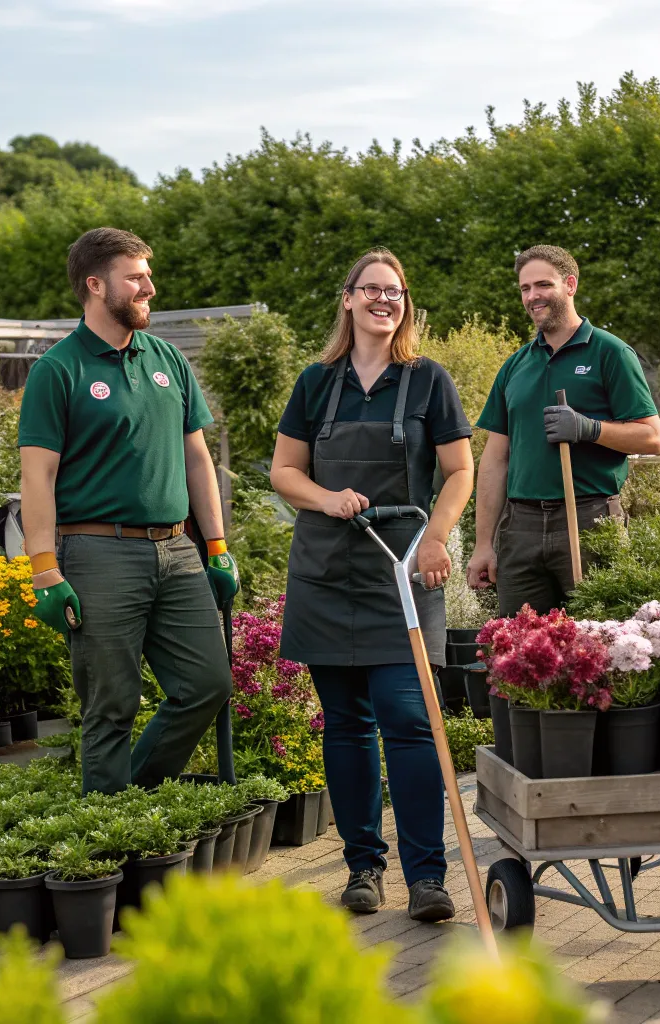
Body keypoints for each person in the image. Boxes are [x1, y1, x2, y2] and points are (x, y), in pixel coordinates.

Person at [270, 249, 474, 922]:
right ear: (349, 299)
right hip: (328, 570)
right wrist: (327, 499)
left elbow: (460, 471)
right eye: (373, 290)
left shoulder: (427, 381)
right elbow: (284, 473)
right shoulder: (316, 383)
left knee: (410, 724)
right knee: (347, 728)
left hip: (402, 569)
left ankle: (426, 878)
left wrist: (437, 537)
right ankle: (362, 869)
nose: (386, 300)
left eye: (396, 291)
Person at [18, 227, 238, 795]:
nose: (151, 287)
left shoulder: (167, 360)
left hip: (177, 550)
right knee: (110, 707)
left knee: (208, 685)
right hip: (97, 554)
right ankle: (112, 847)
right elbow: (37, 477)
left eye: (148, 275)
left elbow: (197, 459)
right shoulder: (58, 370)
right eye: (136, 277)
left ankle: (132, 800)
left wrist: (216, 546)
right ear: (96, 285)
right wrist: (44, 570)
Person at [468, 244, 660, 616]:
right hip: (520, 526)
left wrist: (589, 428)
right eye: (525, 288)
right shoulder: (515, 366)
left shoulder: (609, 353)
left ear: (570, 284)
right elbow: (495, 459)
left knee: (597, 646)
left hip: (589, 520)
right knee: (520, 653)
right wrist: (483, 544)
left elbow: (652, 437)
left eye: (543, 285)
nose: (532, 296)